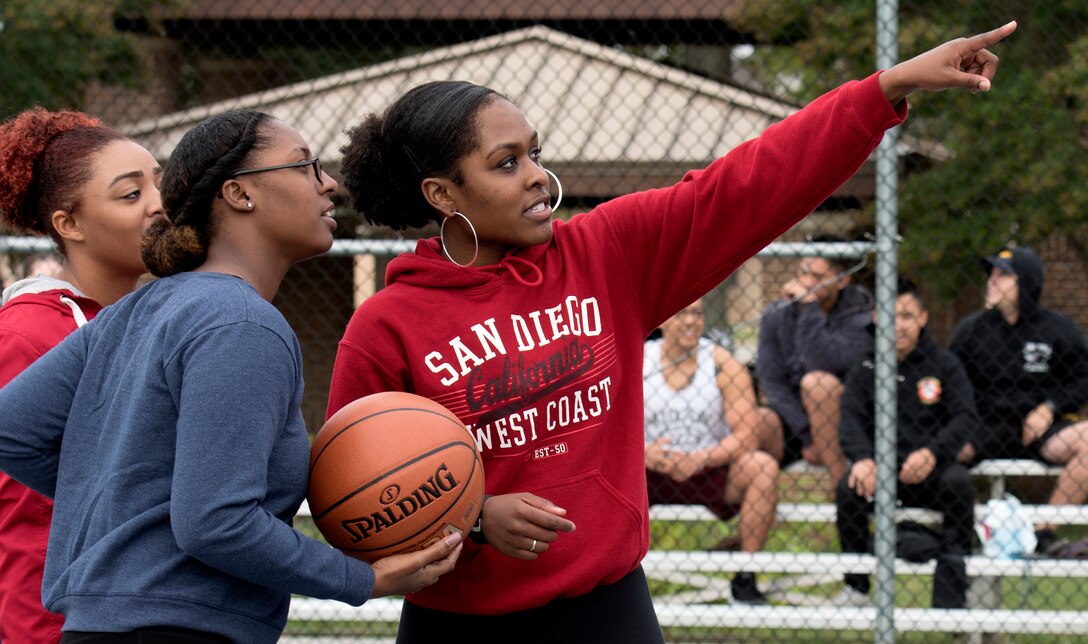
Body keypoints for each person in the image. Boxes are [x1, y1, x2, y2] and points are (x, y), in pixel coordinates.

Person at [327, 23, 1014, 643]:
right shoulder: (387, 326)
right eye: (505, 163)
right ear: (442, 194)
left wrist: (883, 89)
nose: (538, 176)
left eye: (534, 153)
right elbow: (359, 509)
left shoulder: (605, 255)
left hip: (610, 610)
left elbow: (746, 186)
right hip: (463, 626)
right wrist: (473, 517)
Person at [0, 109, 462, 643]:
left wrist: (135, 498)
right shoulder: (242, 323)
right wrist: (361, 579)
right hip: (181, 628)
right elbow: (215, 523)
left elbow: (12, 428)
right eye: (304, 166)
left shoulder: (142, 307)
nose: (328, 182)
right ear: (240, 194)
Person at [0, 107, 162, 643]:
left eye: (159, 183)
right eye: (131, 194)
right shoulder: (28, 333)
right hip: (51, 621)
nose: (161, 205)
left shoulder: (136, 316)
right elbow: (29, 510)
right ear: (69, 225)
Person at [835, 278, 977, 609]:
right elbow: (849, 420)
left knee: (959, 483)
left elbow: (965, 418)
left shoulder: (944, 365)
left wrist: (933, 453)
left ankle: (952, 597)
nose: (898, 325)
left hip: (929, 472)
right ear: (875, 317)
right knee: (848, 487)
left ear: (923, 319)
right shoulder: (865, 368)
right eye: (890, 315)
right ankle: (857, 587)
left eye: (907, 316)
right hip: (879, 474)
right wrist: (862, 458)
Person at [952, 245, 1088, 554]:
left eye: (1004, 275)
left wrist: (1049, 407)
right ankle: (980, 529)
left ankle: (1042, 534)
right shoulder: (971, 331)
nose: (992, 281)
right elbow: (952, 383)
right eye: (992, 274)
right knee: (936, 445)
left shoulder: (1058, 329)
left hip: (1039, 429)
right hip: (985, 425)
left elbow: (1083, 380)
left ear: (1026, 283)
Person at [643, 298, 780, 605]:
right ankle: (611, 576)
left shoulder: (722, 363)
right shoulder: (638, 359)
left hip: (708, 468)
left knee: (763, 467)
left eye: (697, 313)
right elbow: (607, 426)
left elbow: (746, 437)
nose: (690, 321)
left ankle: (745, 577)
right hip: (647, 471)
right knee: (608, 468)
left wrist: (700, 458)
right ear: (662, 319)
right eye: (681, 313)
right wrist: (641, 453)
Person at [755, 233, 874, 487]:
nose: (806, 283)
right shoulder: (776, 315)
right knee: (757, 421)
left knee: (817, 384)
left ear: (842, 280)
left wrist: (808, 309)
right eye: (802, 273)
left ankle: (841, 491)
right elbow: (772, 381)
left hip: (846, 422)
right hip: (798, 425)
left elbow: (823, 363)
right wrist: (808, 436)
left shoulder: (862, 314)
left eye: (817, 277)